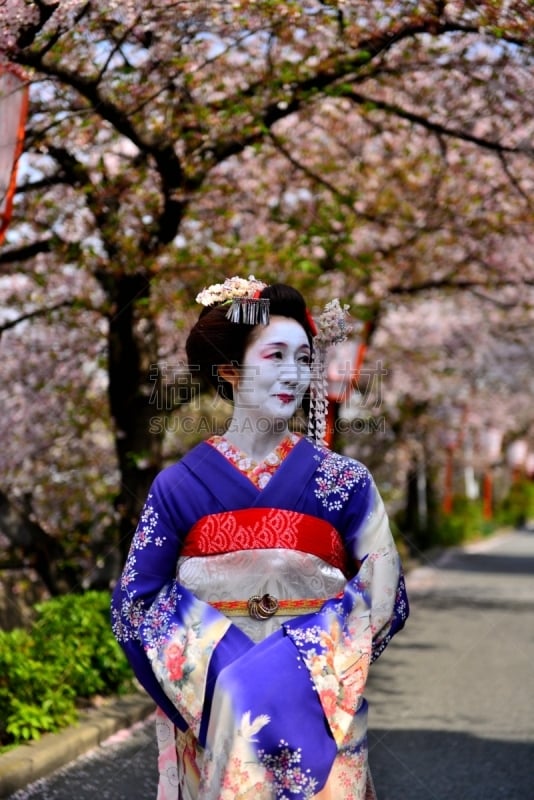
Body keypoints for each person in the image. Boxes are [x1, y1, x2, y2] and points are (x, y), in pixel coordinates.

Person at [111, 277, 409, 800]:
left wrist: (289, 667)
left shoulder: (343, 482)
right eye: (275, 355)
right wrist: (228, 672)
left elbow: (385, 591)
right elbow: (136, 605)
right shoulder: (179, 485)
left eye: (303, 358)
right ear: (229, 369)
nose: (293, 374)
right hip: (212, 707)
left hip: (318, 706)